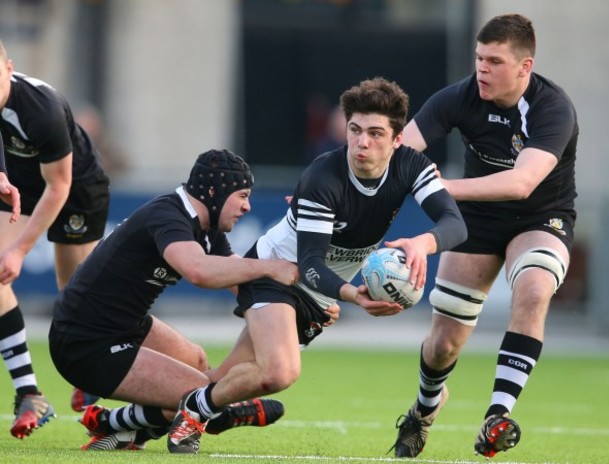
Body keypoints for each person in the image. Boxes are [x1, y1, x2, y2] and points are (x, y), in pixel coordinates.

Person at [152, 77, 467, 454]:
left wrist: (422, 242)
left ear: (398, 139)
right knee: (279, 372)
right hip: (276, 269)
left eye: (375, 133)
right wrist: (353, 295)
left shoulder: (412, 166)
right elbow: (311, 263)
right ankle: (196, 409)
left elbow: (455, 224)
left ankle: (125, 424)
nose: (362, 142)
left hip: (315, 295)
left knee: (226, 378)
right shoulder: (323, 177)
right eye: (355, 130)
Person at [389, 13, 578, 459]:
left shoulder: (553, 108)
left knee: (534, 289)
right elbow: (398, 153)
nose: (482, 70)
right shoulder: (459, 96)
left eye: (494, 61)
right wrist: (326, 191)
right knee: (442, 345)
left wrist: (440, 187)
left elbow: (520, 183)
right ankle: (424, 410)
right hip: (477, 219)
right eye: (479, 58)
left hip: (541, 216)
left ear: (524, 67)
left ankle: (497, 415)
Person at [49, 149, 306, 450]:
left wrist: (301, 307)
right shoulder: (168, 214)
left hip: (124, 326)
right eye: (243, 195)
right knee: (203, 394)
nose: (247, 207)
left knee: (197, 364)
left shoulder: (206, 229)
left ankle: (118, 426)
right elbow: (199, 271)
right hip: (83, 341)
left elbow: (242, 284)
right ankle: (123, 422)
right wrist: (272, 267)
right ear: (214, 191)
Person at [0, 39, 112, 438]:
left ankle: (99, 377)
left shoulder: (40, 110)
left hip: (77, 189)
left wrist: (20, 249)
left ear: (9, 68)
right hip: (23, 184)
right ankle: (30, 392)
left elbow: (59, 186)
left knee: (76, 304)